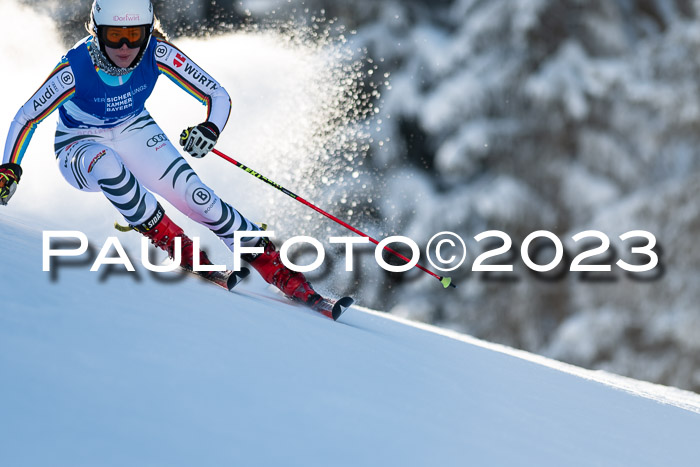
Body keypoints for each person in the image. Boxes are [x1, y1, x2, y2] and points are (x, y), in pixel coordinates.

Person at [0, 0, 323, 306]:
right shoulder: (75, 68)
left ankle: (282, 273)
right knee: (109, 166)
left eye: (134, 35)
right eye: (114, 36)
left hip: (133, 128)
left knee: (199, 198)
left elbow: (216, 94)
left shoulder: (159, 52)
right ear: (96, 32)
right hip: (78, 143)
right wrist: (9, 168)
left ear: (147, 31)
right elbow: (26, 118)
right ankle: (180, 248)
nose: (125, 47)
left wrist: (209, 128)